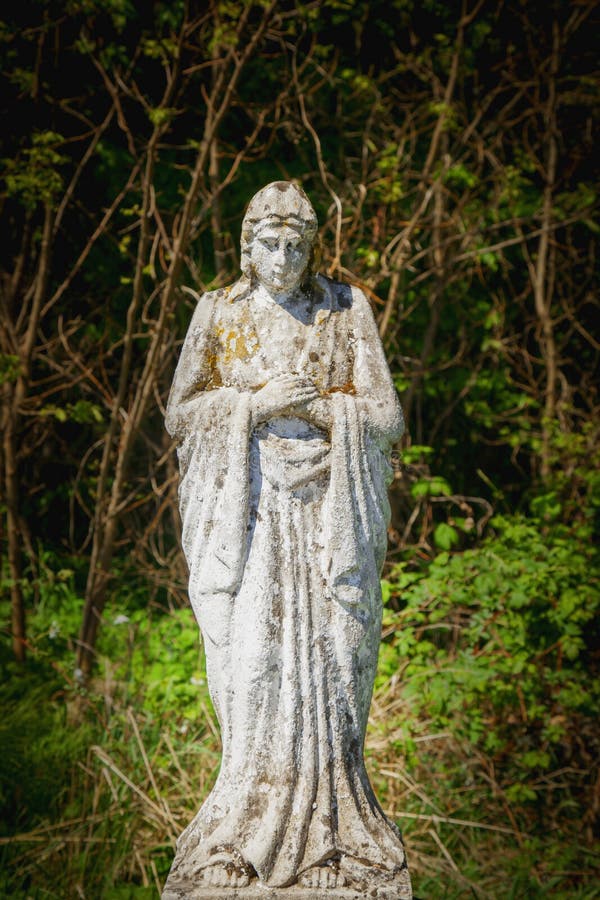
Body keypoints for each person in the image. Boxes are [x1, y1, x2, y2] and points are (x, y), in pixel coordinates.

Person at [163, 182, 412, 897]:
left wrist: (333, 415)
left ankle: (337, 830)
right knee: (252, 670)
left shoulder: (344, 310)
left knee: (335, 669)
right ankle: (242, 821)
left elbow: (386, 416)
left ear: (312, 247)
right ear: (246, 246)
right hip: (250, 521)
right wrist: (255, 405)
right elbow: (182, 414)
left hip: (329, 521)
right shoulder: (221, 312)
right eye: (268, 244)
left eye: (296, 246)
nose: (282, 258)